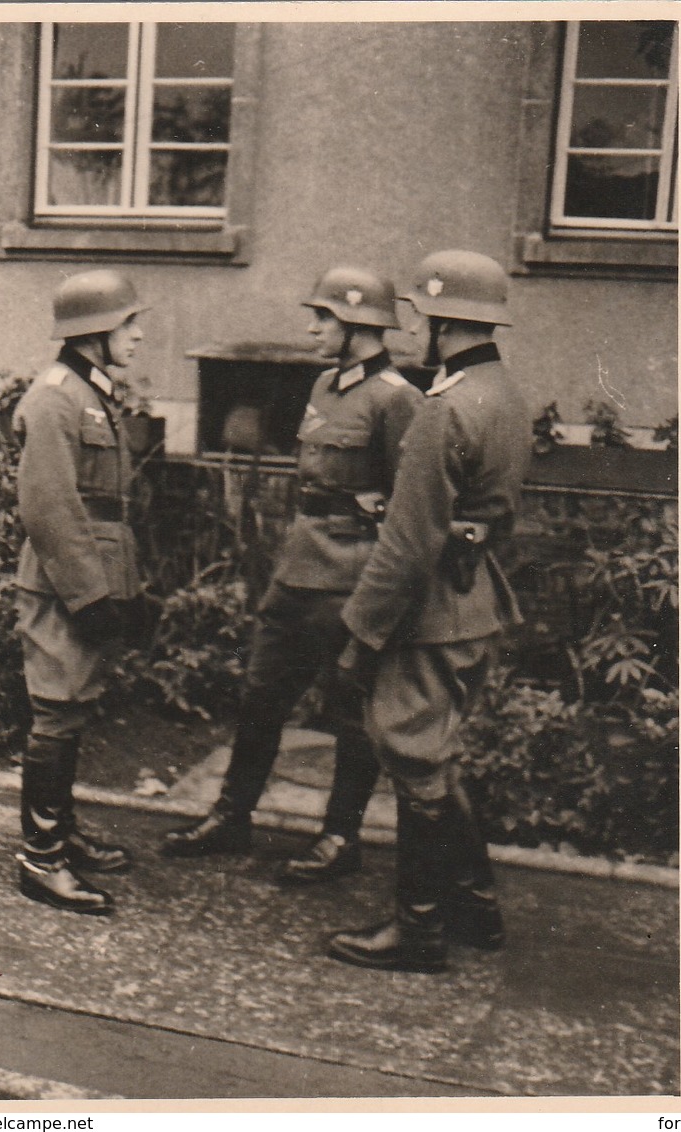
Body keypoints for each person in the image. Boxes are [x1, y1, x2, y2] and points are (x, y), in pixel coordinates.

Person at [161, 267, 424, 882]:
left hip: (352, 576)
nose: (312, 327)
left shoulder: (396, 398)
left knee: (349, 710)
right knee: (260, 695)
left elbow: (411, 502)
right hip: (298, 567)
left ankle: (339, 836)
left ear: (358, 325)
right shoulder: (325, 387)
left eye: (324, 318)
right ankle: (232, 814)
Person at [328, 250, 531, 971]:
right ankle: (474, 910)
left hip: (431, 611)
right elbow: (488, 516)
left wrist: (359, 636)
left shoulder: (445, 411)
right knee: (436, 755)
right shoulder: (504, 394)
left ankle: (418, 933)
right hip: (473, 603)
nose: (411, 331)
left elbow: (406, 546)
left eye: (420, 318)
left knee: (415, 759)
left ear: (446, 324)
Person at [13, 268, 149, 916]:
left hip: (91, 578)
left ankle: (60, 833)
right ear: (95, 331)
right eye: (129, 323)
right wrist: (87, 596)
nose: (139, 334)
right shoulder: (55, 397)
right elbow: (48, 505)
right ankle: (40, 859)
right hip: (63, 585)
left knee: (77, 704)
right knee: (56, 710)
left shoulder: (91, 392)